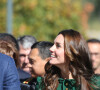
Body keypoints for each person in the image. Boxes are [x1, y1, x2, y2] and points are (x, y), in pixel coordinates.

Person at [36, 29, 100, 90]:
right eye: (53, 44)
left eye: (58, 46)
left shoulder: (95, 84)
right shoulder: (44, 83)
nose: (51, 49)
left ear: (72, 52)